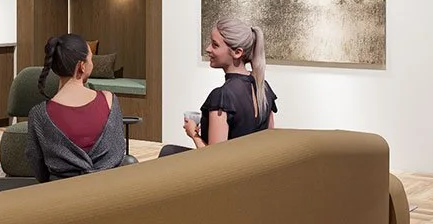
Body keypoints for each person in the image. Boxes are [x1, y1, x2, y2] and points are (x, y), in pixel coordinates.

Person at [159, 18, 278, 157]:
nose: (208, 49)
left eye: (215, 45)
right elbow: (269, 140)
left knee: (168, 152)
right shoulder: (264, 88)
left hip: (229, 174)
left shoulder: (222, 96)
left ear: (237, 52)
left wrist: (193, 134)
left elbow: (214, 158)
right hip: (251, 171)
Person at [26, 33, 130, 180]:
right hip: (109, 192)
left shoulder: (39, 115)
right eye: (91, 59)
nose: (92, 63)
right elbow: (119, 151)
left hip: (63, 196)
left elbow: (37, 166)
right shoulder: (109, 100)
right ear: (82, 66)